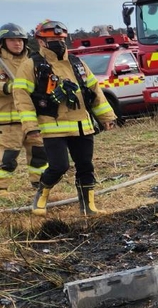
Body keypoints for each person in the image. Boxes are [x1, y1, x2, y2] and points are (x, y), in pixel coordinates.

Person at [12, 19, 117, 216]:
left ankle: (88, 207)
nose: (58, 42)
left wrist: (106, 116)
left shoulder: (77, 63)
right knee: (59, 166)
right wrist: (30, 126)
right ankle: (41, 195)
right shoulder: (31, 65)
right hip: (52, 126)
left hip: (81, 125)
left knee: (86, 165)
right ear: (41, 41)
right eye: (52, 39)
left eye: (60, 38)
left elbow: (94, 90)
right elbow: (21, 98)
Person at [0, 23, 47, 194]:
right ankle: (2, 191)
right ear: (3, 42)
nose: (17, 43)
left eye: (20, 39)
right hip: (8, 120)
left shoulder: (33, 60)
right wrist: (7, 87)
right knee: (7, 158)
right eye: (12, 40)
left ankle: (41, 187)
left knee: (39, 153)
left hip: (32, 118)